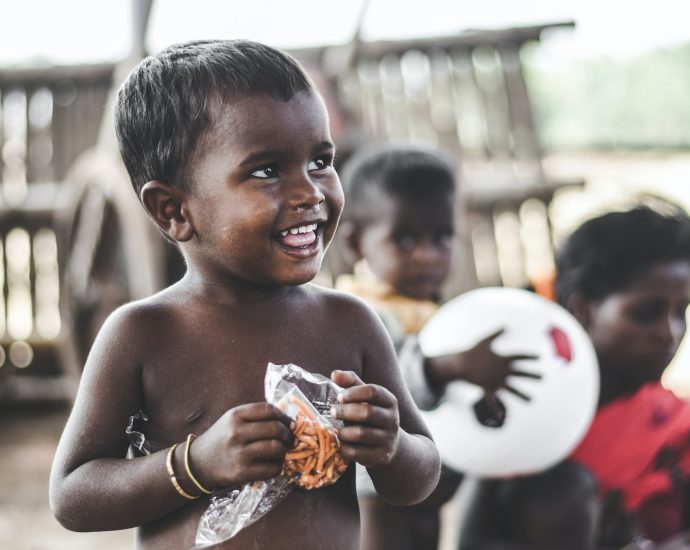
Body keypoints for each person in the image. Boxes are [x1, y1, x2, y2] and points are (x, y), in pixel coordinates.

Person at [48, 39, 441, 550]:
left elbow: (422, 475)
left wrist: (391, 449)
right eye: (267, 171)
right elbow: (73, 495)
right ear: (173, 209)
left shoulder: (350, 324)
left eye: (321, 160)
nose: (310, 192)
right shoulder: (143, 334)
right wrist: (195, 464)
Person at [335, 142, 541, 550]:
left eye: (442, 237)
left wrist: (485, 397)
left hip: (441, 474)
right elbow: (393, 377)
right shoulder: (359, 312)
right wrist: (450, 366)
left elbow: (457, 398)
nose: (428, 255)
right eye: (406, 240)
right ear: (358, 245)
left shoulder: (443, 313)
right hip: (376, 481)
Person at [459, 202, 690, 549]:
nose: (669, 332)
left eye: (681, 312)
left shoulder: (677, 428)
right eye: (647, 312)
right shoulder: (521, 415)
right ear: (582, 309)